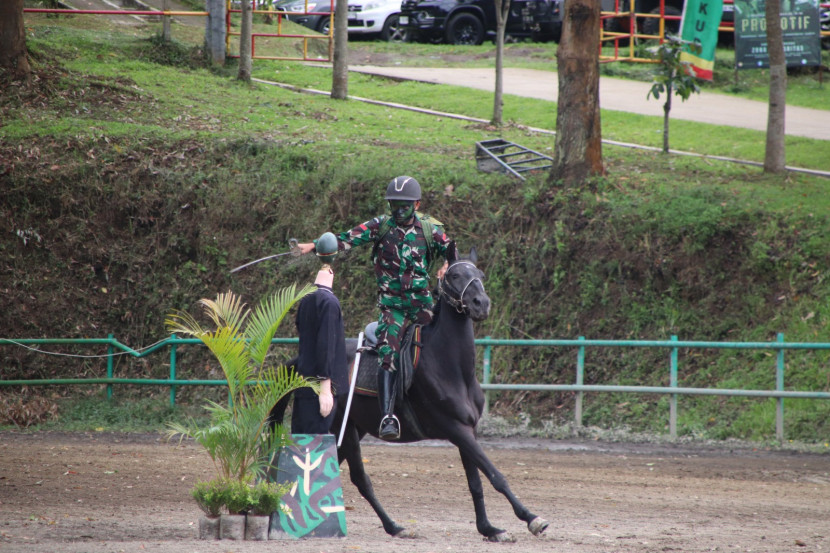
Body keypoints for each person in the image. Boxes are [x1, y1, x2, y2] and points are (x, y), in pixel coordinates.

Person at [297, 176, 453, 441]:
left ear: (416, 204)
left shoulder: (430, 228)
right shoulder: (380, 226)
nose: (399, 211)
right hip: (393, 307)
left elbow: (451, 249)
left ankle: (447, 405)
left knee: (443, 346)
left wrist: (447, 264)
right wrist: (314, 245)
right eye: (395, 206)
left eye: (405, 206)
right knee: (388, 352)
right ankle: (388, 415)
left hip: (423, 304)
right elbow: (347, 239)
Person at [291, 232, 349, 435]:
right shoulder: (330, 303)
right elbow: (326, 345)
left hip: (303, 384)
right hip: (319, 390)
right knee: (313, 449)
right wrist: (325, 389)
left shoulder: (306, 298)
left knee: (300, 440)